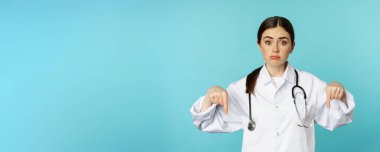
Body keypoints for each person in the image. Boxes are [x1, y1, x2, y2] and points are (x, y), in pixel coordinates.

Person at [190, 16, 355, 152]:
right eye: (268, 42)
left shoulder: (310, 84)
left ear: (292, 47)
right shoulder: (242, 88)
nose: (275, 49)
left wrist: (339, 93)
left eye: (283, 42)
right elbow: (205, 122)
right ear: (259, 45)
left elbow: (338, 118)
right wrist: (210, 96)